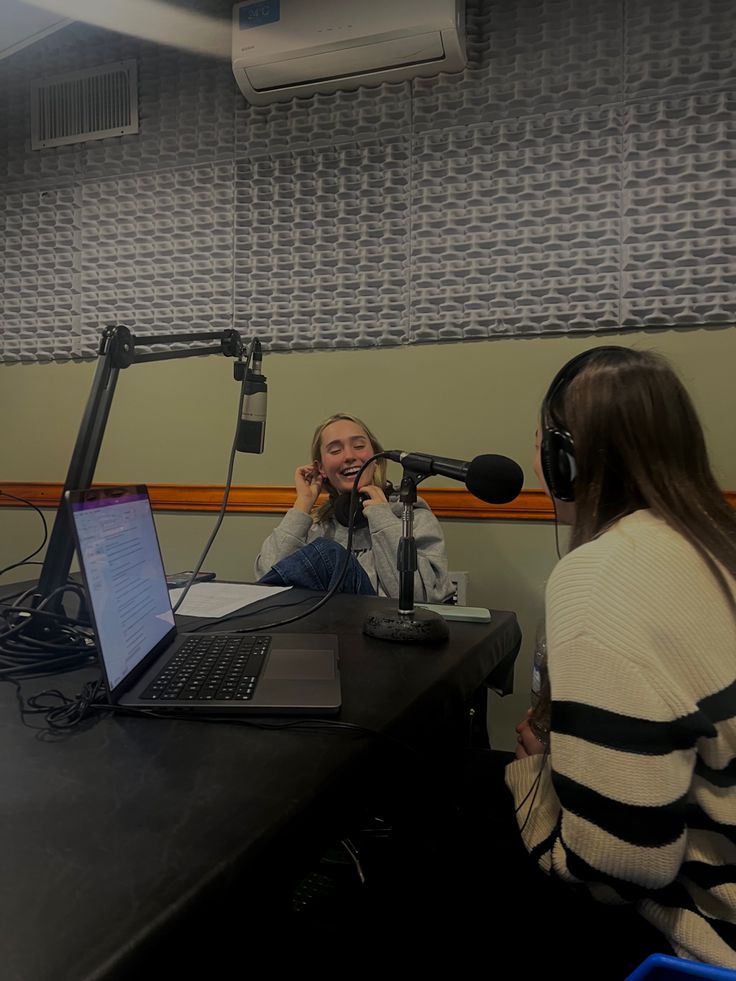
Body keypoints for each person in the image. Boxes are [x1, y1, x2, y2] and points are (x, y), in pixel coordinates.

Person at [500, 346, 736, 974]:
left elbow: (623, 865)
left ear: (563, 460)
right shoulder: (715, 541)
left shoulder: (603, 576)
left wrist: (535, 779)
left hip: (708, 938)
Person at [254, 413, 455, 603]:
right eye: (335, 450)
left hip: (386, 632)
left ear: (376, 459)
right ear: (321, 468)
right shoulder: (317, 527)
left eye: (359, 446)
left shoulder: (413, 517)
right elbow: (266, 581)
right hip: (324, 633)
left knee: (329, 553)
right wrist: (303, 503)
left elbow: (420, 599)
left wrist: (382, 519)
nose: (349, 456)